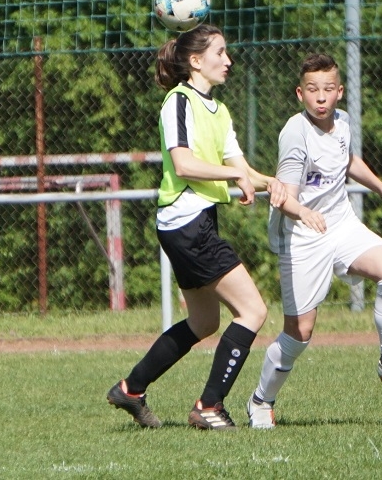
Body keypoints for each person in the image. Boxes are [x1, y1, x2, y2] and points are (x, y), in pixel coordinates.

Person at [106, 24, 287, 430]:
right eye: (220, 52)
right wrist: (234, 176)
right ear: (195, 61)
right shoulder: (178, 101)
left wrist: (269, 181)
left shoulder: (219, 111)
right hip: (186, 223)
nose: (228, 60)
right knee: (253, 311)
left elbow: (241, 169)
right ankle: (209, 406)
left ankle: (131, 388)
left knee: (204, 322)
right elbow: (184, 165)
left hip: (197, 221)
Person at [246, 53, 382, 430]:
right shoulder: (295, 134)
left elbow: (348, 161)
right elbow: (282, 196)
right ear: (300, 94)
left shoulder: (342, 122)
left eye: (328, 89)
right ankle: (261, 401)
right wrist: (305, 214)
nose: (321, 96)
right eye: (312, 89)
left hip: (340, 224)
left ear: (340, 92)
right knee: (300, 333)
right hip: (301, 236)